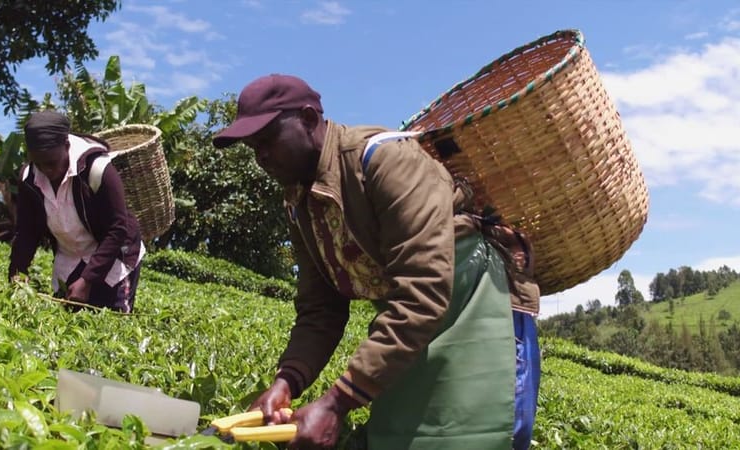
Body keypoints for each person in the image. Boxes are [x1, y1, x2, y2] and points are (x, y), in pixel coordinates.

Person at [212, 74, 541, 449]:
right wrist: (286, 382)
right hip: (412, 330)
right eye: (254, 148)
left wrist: (336, 403)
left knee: (475, 435)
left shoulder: (385, 160)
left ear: (307, 118)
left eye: (268, 140)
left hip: (476, 310)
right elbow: (321, 308)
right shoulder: (299, 204)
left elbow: (425, 290)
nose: (262, 158)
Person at [8, 110, 144, 313]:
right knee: (68, 319)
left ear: (67, 146)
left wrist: (87, 280)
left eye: (52, 163)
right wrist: (17, 271)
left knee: (110, 321)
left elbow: (117, 229)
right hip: (72, 257)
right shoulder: (29, 179)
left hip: (115, 256)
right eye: (39, 163)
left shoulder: (98, 169)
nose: (47, 171)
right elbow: (27, 231)